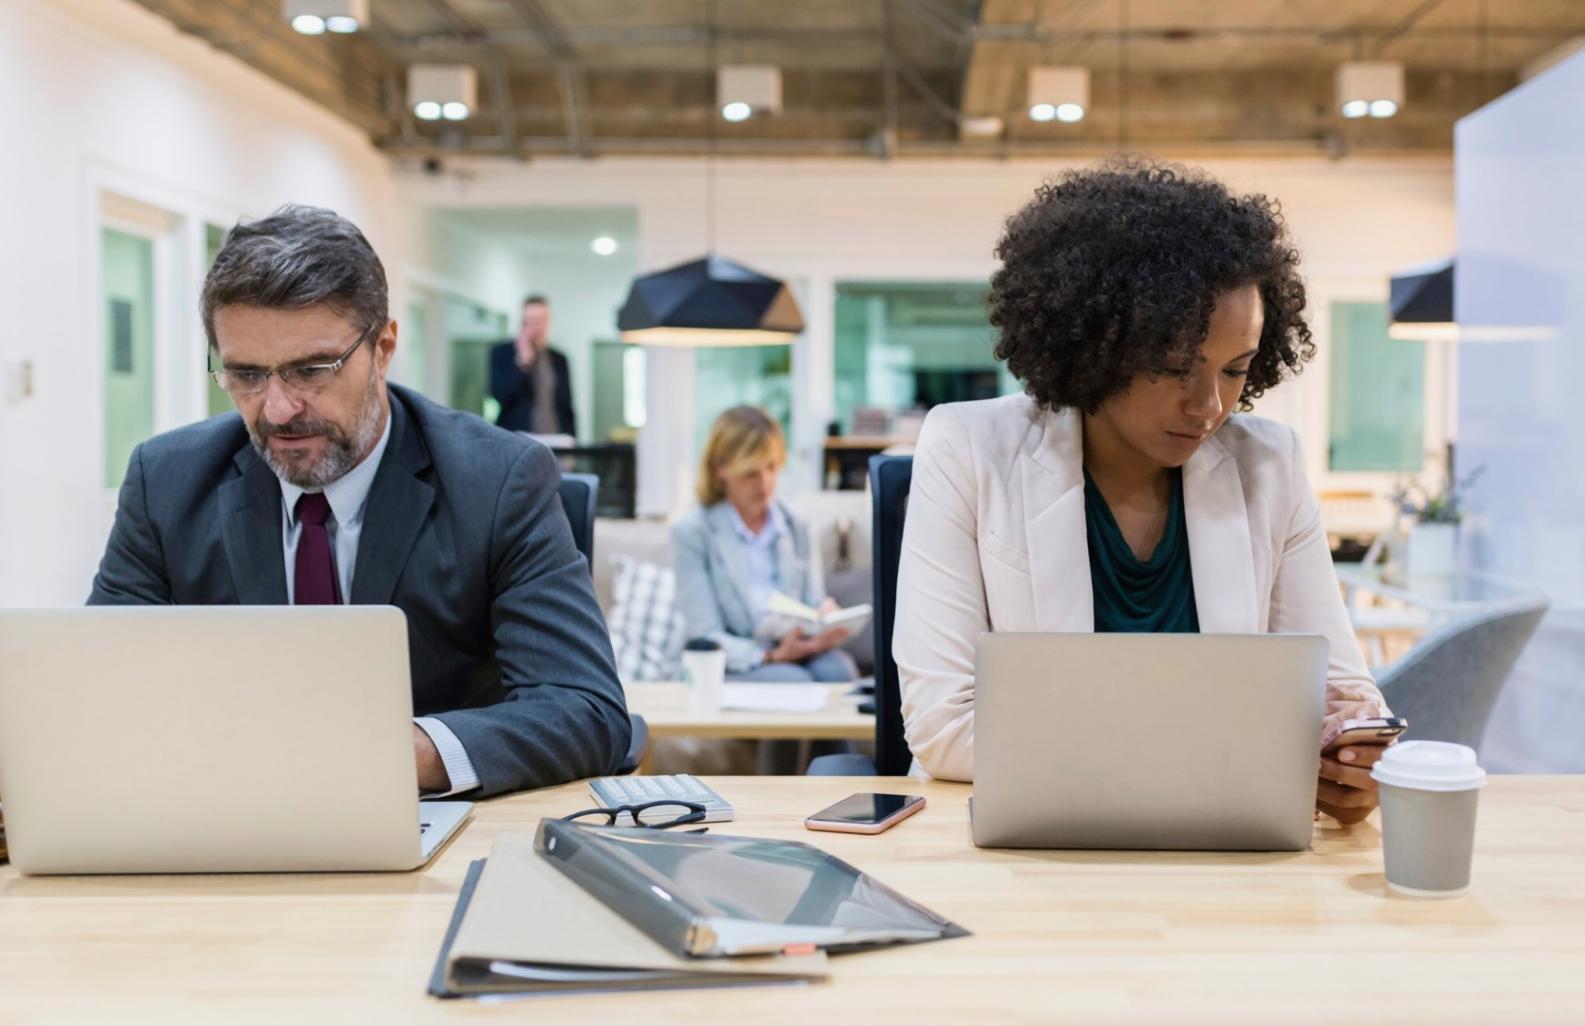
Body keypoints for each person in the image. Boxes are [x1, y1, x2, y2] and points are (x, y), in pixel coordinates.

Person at [894, 160, 1390, 825]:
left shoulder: (1269, 464)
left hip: (1226, 841)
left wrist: (1351, 758)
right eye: (1172, 368)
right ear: (1097, 345)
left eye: (1235, 369)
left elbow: (1341, 696)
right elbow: (945, 727)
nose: (1208, 405)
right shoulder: (966, 447)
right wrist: (1248, 755)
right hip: (1018, 844)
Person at [88, 205, 629, 798]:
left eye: (311, 370)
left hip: (431, 831)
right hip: (227, 814)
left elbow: (585, 709)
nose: (277, 410)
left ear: (385, 346)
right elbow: (100, 691)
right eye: (246, 374)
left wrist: (392, 757)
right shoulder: (165, 483)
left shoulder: (498, 481)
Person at [672, 406, 856, 683]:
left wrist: (823, 618)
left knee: (840, 672)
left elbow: (811, 602)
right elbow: (705, 634)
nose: (765, 483)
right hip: (733, 662)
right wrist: (772, 656)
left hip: (795, 648)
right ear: (720, 468)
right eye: (750, 473)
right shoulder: (693, 532)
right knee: (792, 680)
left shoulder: (797, 525)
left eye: (772, 467)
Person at [489, 294, 576, 436]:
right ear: (523, 322)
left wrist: (572, 442)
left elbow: (567, 408)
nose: (537, 326)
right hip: (518, 439)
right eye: (532, 320)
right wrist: (522, 364)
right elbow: (499, 396)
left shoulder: (559, 359)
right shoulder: (502, 353)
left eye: (541, 320)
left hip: (555, 439)